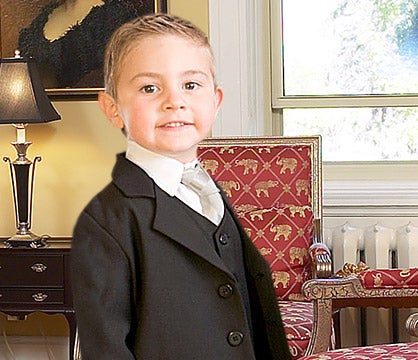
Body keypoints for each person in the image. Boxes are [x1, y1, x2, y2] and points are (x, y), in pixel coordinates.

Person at [70, 13, 292, 360]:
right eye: (149, 88)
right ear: (113, 109)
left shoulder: (211, 193)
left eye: (190, 85)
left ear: (215, 101)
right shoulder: (106, 221)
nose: (174, 101)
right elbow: (106, 347)